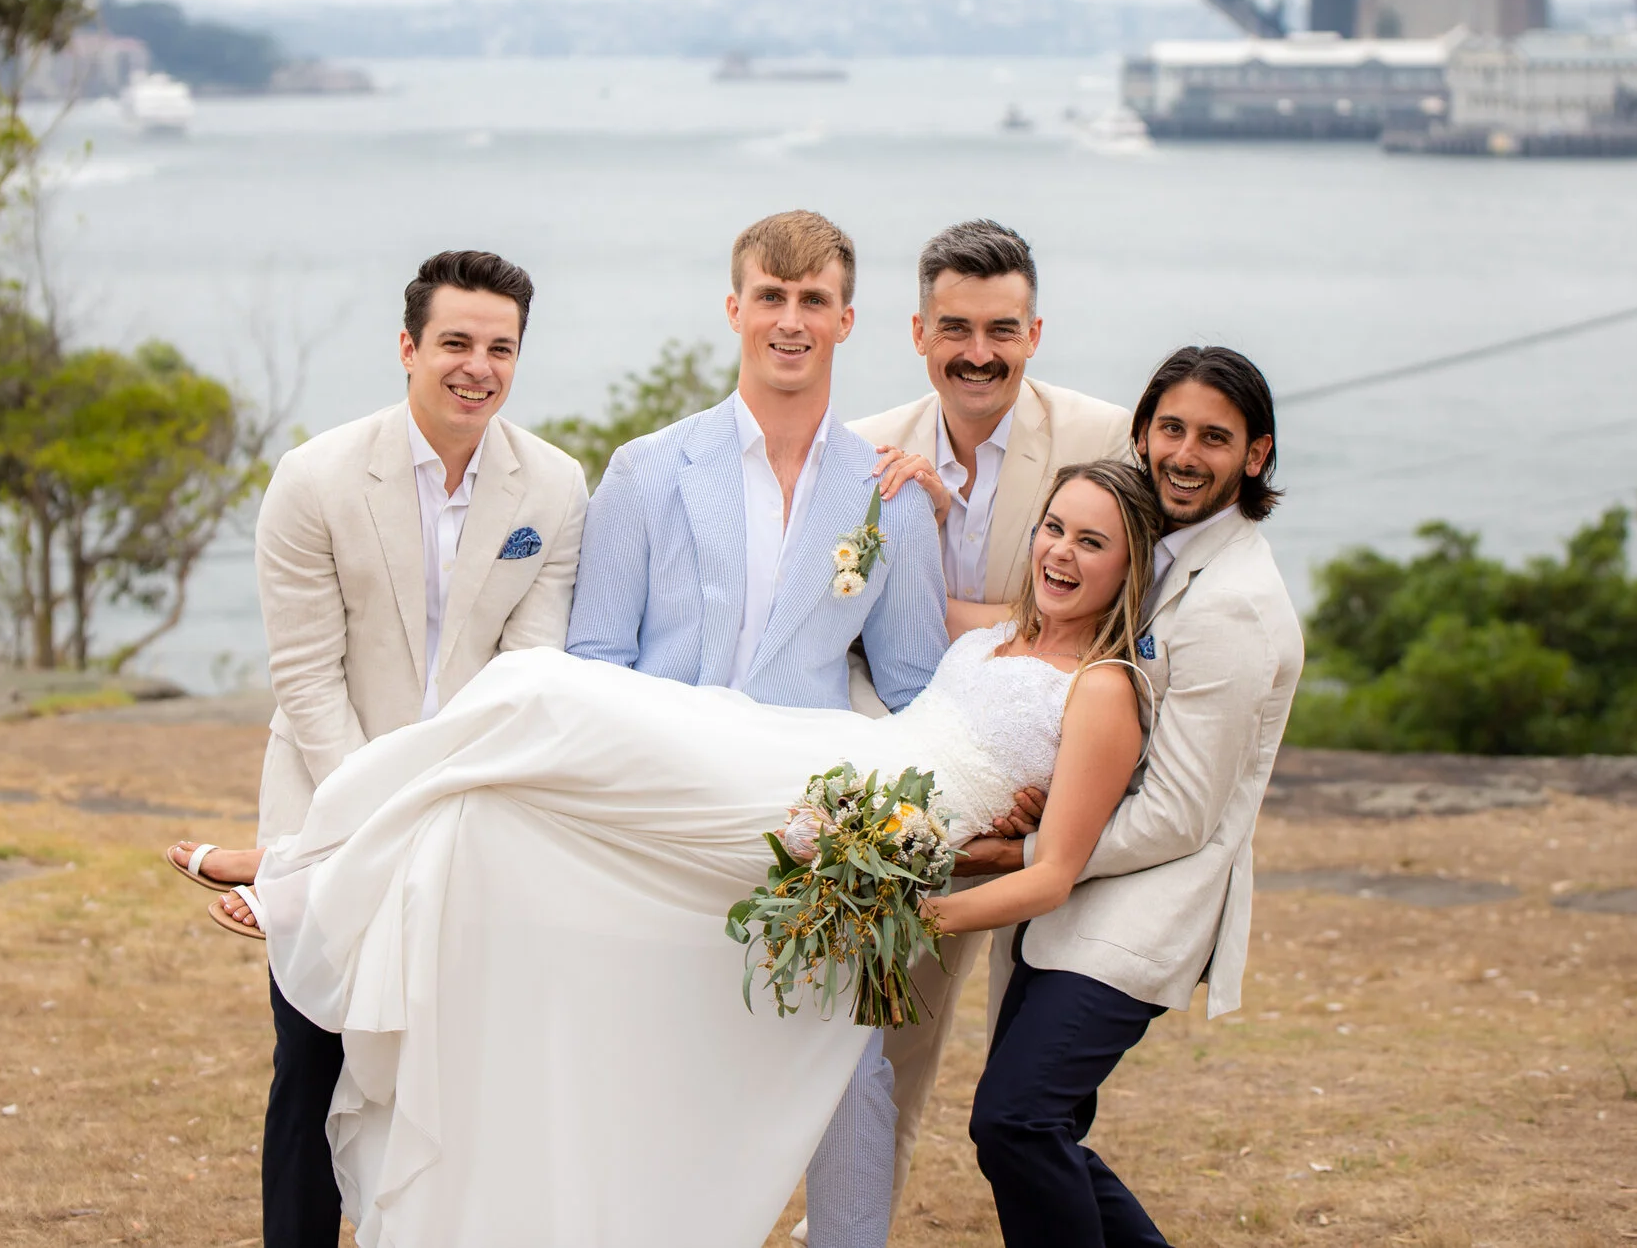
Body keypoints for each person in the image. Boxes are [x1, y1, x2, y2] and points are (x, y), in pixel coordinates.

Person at [181, 459, 1165, 1248]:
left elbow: (1054, 869)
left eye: (1091, 541)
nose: (1061, 553)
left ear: (1131, 564)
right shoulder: (1001, 631)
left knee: (541, 702)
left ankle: (306, 860)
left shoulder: (1103, 689)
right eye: (1053, 526)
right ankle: (312, 858)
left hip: (844, 825)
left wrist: (913, 906)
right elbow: (879, 599)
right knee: (516, 750)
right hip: (834, 760)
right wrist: (937, 505)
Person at [170, 250, 588, 1248]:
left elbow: (526, 674)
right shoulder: (313, 478)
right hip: (326, 811)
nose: (475, 366)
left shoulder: (556, 484)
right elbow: (307, 681)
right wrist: (374, 821)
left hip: (470, 816)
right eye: (454, 341)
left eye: (499, 347)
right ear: (408, 346)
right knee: (310, 1070)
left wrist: (442, 809)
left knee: (455, 1076)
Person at [564, 209, 948, 1248]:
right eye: (770, 297)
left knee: (850, 1078)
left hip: (813, 833)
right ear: (734, 308)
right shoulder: (647, 469)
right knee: (654, 1074)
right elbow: (594, 659)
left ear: (846, 319)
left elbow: (914, 686)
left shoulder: (888, 495)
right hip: (661, 822)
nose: (790, 319)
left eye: (812, 299)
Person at [962, 345, 1305, 1248]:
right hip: (1071, 898)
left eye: (1216, 437)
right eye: (1172, 427)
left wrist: (1032, 853)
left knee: (1018, 1121)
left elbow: (1180, 814)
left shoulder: (1232, 603)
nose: (1186, 453)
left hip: (1143, 907)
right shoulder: (1156, 552)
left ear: (1257, 455)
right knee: (1042, 1129)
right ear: (1145, 431)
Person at [845, 217, 1133, 1209]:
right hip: (903, 803)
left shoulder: (1103, 439)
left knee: (1030, 1093)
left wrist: (1060, 795)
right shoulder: (863, 451)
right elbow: (834, 626)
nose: (978, 352)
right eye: (955, 327)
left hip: (1051, 800)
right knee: (881, 1049)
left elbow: (1146, 614)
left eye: (1001, 328)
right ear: (918, 331)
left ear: (1035, 331)